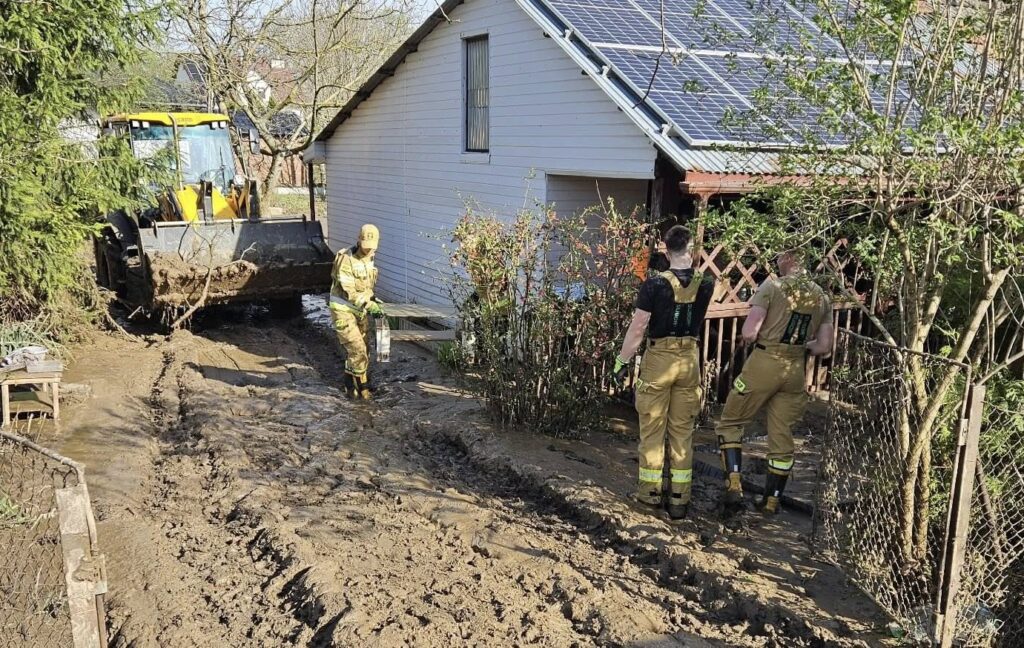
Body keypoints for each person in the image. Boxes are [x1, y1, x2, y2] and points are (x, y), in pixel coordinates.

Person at [611, 225, 718, 520]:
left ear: (664, 248)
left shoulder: (655, 285)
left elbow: (637, 329)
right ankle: (680, 501)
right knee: (683, 431)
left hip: (660, 359)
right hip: (689, 361)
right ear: (692, 247)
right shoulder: (707, 283)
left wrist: (622, 361)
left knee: (653, 429)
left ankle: (648, 497)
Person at [716, 250, 833, 515]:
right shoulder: (822, 297)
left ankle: (733, 484)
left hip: (764, 362)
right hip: (795, 370)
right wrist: (800, 346)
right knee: (781, 436)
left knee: (731, 422)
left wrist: (758, 335)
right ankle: (771, 501)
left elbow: (749, 331)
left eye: (779, 257)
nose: (776, 262)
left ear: (789, 258)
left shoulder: (773, 286)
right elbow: (825, 346)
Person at [329, 224, 384, 399]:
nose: (368, 251)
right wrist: (369, 306)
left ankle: (349, 383)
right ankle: (363, 390)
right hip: (343, 309)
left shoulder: (370, 257)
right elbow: (350, 292)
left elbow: (366, 286)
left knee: (364, 350)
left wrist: (373, 299)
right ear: (358, 241)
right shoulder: (345, 259)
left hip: (360, 310)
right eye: (365, 247)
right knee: (358, 350)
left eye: (372, 248)